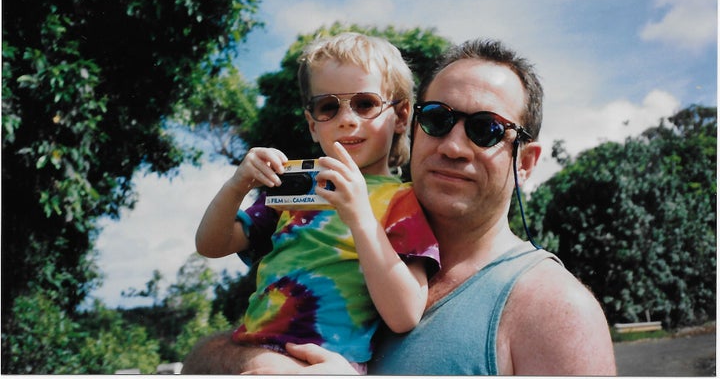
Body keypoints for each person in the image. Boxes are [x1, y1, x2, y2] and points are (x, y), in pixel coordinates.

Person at [183, 38, 617, 375]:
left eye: (485, 129)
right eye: (439, 118)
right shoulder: (309, 191)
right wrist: (252, 364)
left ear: (524, 162)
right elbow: (213, 253)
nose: (452, 146)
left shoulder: (557, 310)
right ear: (416, 123)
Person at [190, 32, 440, 374]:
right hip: (252, 347)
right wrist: (237, 186)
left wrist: (360, 217)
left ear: (400, 116)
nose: (347, 118)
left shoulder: (404, 200)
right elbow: (211, 244)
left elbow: (405, 314)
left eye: (365, 103)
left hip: (325, 363)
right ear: (312, 125)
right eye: (328, 106)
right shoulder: (299, 188)